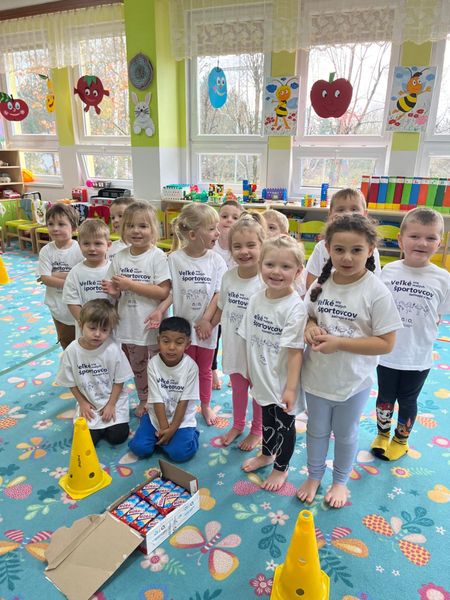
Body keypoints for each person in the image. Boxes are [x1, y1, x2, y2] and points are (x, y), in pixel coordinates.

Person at [298, 214, 402, 508]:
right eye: (339, 249)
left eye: (356, 250)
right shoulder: (321, 284)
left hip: (353, 383)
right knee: (316, 431)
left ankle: (340, 481)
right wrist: (309, 327)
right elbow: (307, 315)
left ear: (371, 250)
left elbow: (387, 343)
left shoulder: (376, 292)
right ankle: (314, 476)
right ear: (327, 249)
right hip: (316, 377)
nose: (347, 257)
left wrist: (340, 343)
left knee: (345, 435)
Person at [371, 207, 450, 461]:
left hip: (418, 357)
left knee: (407, 401)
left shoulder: (443, 279)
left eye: (430, 238)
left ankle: (401, 440)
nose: (422, 243)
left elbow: (440, 313)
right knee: (385, 398)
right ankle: (382, 434)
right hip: (387, 353)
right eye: (415, 236)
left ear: (439, 243)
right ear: (400, 240)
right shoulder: (388, 271)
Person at [147, 203, 227, 426]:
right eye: (211, 229)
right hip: (183, 332)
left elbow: (219, 293)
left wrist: (207, 321)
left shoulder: (216, 261)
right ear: (192, 235)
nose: (218, 233)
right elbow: (172, 292)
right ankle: (185, 405)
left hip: (207, 330)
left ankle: (206, 405)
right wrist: (159, 310)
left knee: (204, 370)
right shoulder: (174, 260)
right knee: (184, 370)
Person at [238, 235, 307, 491]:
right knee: (267, 419)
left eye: (285, 266)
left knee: (284, 426)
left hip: (283, 381)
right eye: (270, 264)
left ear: (298, 271)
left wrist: (290, 388)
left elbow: (295, 352)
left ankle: (281, 467)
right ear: (260, 265)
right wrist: (249, 369)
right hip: (261, 376)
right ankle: (267, 454)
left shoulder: (294, 307)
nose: (276, 272)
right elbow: (248, 337)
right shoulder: (256, 299)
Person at [102, 202, 171, 418]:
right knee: (138, 367)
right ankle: (144, 398)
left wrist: (130, 285)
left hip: (153, 326)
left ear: (153, 229)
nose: (136, 231)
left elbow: (163, 291)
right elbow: (116, 291)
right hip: (129, 325)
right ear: (123, 229)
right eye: (130, 226)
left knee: (159, 365)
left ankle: (161, 398)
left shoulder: (157, 256)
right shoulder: (120, 257)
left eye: (143, 226)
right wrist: (114, 291)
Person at [211, 213, 266, 451]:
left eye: (251, 245)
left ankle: (257, 430)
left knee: (258, 391)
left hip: (257, 350)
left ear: (262, 245)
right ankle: (238, 424)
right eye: (237, 246)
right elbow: (222, 306)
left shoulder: (266, 280)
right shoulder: (228, 277)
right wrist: (209, 325)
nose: (244, 251)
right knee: (238, 388)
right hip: (233, 345)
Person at [56, 299, 133, 446]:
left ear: (110, 330)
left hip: (112, 400)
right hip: (89, 402)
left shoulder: (113, 349)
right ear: (81, 325)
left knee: (118, 437)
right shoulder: (72, 351)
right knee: (87, 439)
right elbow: (70, 382)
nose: (97, 334)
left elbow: (119, 381)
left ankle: (109, 425)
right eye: (92, 328)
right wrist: (82, 403)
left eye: (104, 330)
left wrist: (111, 405)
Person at [128, 317, 200, 462]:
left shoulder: (191, 367)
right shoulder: (153, 364)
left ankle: (193, 434)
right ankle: (158, 435)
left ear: (187, 344)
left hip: (181, 420)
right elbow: (156, 399)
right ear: (158, 340)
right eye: (166, 341)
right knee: (139, 448)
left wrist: (171, 430)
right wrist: (163, 428)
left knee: (180, 453)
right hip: (156, 417)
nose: (171, 347)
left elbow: (183, 402)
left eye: (178, 342)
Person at [305, 188, 382, 290]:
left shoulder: (369, 249)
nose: (347, 214)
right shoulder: (321, 247)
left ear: (365, 214)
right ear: (330, 214)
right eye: (340, 210)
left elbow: (375, 283)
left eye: (354, 209)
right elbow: (311, 281)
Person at [38, 204, 82, 349]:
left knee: (84, 341)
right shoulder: (46, 251)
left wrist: (54, 275)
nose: (55, 228)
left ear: (73, 228)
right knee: (66, 341)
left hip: (78, 304)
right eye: (51, 224)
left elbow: (82, 276)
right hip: (56, 305)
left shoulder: (80, 249)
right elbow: (46, 279)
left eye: (61, 224)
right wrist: (71, 280)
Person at [211, 200, 245, 390]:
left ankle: (237, 372)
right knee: (214, 337)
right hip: (215, 299)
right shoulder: (212, 244)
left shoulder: (241, 246)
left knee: (235, 338)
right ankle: (212, 370)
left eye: (234, 217)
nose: (228, 220)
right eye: (224, 216)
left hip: (236, 301)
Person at [62, 218, 112, 335]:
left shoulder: (114, 269)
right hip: (85, 330)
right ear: (79, 245)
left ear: (108, 245)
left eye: (98, 243)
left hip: (110, 328)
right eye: (86, 244)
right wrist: (85, 324)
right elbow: (72, 302)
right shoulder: (75, 272)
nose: (92, 248)